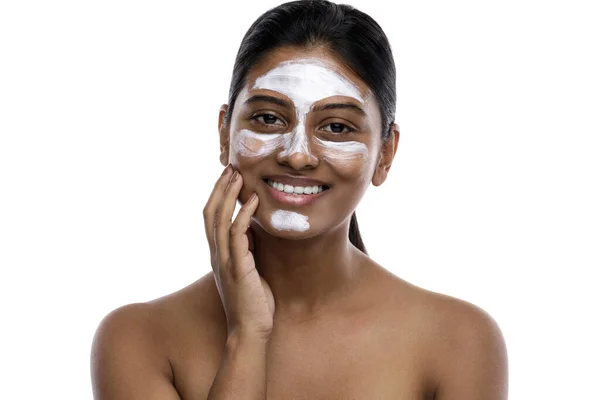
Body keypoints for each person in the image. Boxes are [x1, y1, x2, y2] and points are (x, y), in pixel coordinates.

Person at [90, 0, 508, 398]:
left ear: (385, 154)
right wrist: (247, 336)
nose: (297, 154)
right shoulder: (137, 339)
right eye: (269, 118)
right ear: (224, 133)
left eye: (338, 127)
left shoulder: (458, 341)